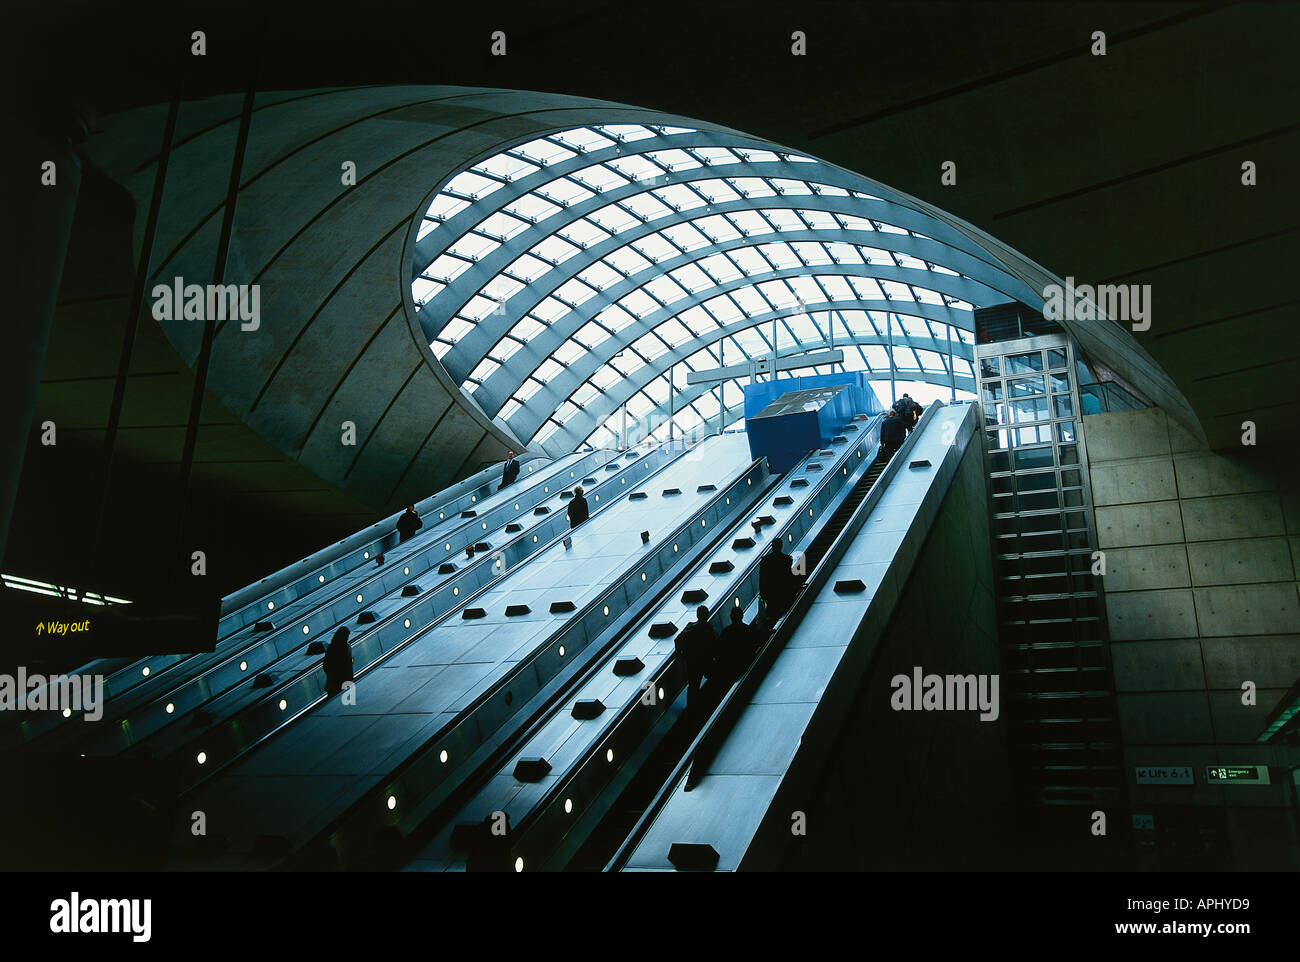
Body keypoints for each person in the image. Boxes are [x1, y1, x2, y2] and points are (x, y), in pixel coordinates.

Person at [674, 605, 715, 714]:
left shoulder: (690, 627)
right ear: (707, 615)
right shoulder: (709, 629)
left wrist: (681, 655)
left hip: (692, 663)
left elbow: (678, 640)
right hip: (706, 661)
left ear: (697, 615)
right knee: (714, 679)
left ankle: (691, 710)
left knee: (693, 687)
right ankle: (710, 704)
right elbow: (714, 646)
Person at [711, 605, 759, 690]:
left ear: (731, 617)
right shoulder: (748, 630)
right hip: (747, 664)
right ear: (742, 616)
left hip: (731, 668)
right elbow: (757, 641)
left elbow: (718, 649)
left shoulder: (726, 632)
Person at [759, 539, 802, 627]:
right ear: (781, 546)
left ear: (772, 547)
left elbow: (762, 578)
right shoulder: (787, 559)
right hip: (784, 592)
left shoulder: (765, 560)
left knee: (772, 615)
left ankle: (771, 630)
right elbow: (789, 576)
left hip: (771, 594)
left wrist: (763, 593)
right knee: (784, 612)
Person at [322, 626, 354, 696]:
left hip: (334, 682)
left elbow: (325, 665)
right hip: (341, 681)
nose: (347, 638)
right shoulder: (346, 647)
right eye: (346, 636)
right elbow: (349, 663)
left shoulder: (332, 647)